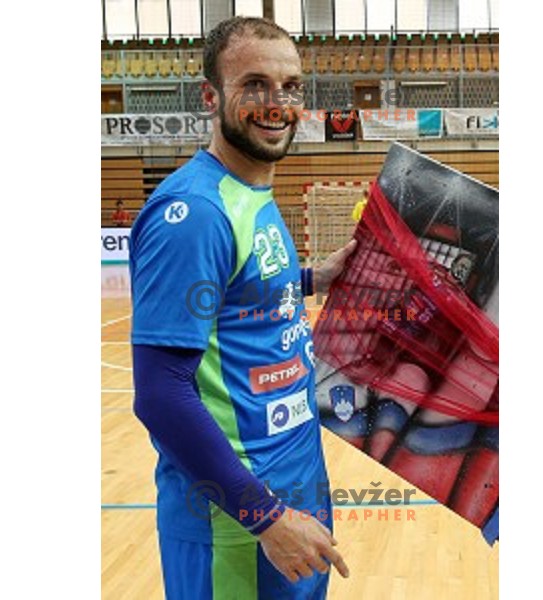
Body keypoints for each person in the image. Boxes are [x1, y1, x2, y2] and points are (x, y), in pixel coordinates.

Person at [129, 16, 355, 599]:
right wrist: (267, 519)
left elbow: (239, 296)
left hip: (292, 493)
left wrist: (313, 278)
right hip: (238, 525)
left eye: (291, 86)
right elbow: (161, 394)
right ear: (212, 96)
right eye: (254, 84)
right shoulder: (195, 213)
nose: (276, 103)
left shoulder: (249, 191)